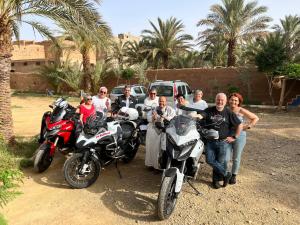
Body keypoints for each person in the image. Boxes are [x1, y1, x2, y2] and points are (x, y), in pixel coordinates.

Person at [204, 93, 243, 189]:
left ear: (225, 102)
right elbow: (202, 115)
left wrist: (234, 137)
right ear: (215, 100)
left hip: (222, 142)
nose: (220, 102)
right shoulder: (209, 110)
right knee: (209, 160)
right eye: (218, 99)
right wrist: (198, 116)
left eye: (222, 100)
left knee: (220, 162)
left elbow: (240, 124)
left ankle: (216, 181)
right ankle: (226, 174)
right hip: (210, 141)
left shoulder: (229, 112)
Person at [227, 93, 259, 184]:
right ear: (229, 100)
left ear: (238, 102)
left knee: (236, 157)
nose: (233, 101)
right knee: (226, 156)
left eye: (236, 100)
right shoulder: (226, 110)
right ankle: (227, 173)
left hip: (240, 136)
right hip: (228, 135)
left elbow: (255, 118)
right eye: (232, 99)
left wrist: (248, 127)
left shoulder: (241, 110)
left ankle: (233, 175)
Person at [145, 96, 175, 169]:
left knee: (162, 150)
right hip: (154, 131)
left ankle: (159, 167)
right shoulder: (154, 109)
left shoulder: (170, 110)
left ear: (166, 102)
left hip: (164, 131)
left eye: (163, 101)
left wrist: (163, 117)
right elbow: (148, 118)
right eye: (160, 101)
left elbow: (171, 119)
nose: (161, 103)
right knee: (151, 148)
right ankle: (151, 165)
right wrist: (153, 118)